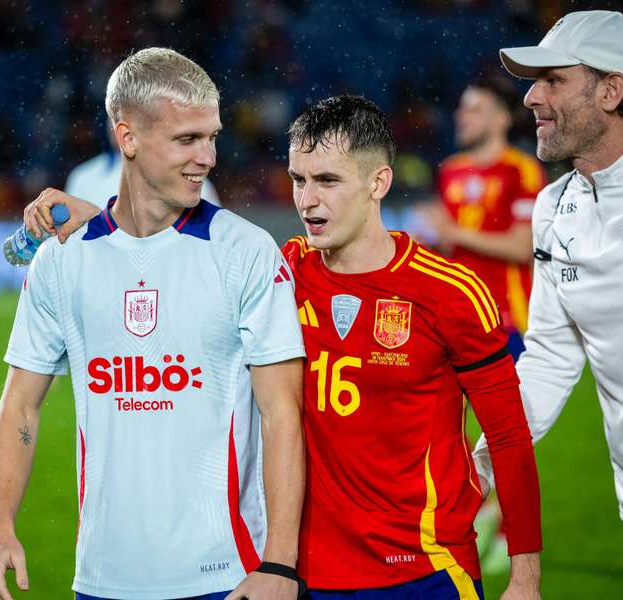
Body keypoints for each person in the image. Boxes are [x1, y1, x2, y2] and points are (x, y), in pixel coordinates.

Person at [29, 95, 544, 600]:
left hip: (423, 572)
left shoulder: (449, 292)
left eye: (327, 180)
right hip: (299, 576)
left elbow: (509, 436)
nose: (307, 200)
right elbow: (178, 257)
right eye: (299, 179)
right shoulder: (282, 272)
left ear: (378, 182)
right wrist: (104, 217)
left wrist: (525, 580)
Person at [0, 48, 307, 600]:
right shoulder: (63, 258)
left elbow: (283, 414)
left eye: (212, 136)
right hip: (104, 578)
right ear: (127, 138)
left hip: (227, 576)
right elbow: (20, 404)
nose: (208, 158)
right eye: (187, 139)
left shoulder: (246, 252)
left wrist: (278, 566)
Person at [472, 10, 623, 600]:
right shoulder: (554, 209)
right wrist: (478, 467)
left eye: (552, 80)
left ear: (611, 90)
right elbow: (548, 361)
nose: (531, 98)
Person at [427, 74, 547, 361]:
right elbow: (446, 242)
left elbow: (522, 247)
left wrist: (455, 233)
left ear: (501, 119)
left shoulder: (521, 170)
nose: (461, 116)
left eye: (474, 109)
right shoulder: (450, 170)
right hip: (457, 318)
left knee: (511, 408)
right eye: (461, 108)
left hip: (508, 320)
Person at [66, 119, 221, 209]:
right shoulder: (83, 177)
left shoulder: (192, 180)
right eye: (115, 116)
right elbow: (70, 239)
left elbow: (216, 238)